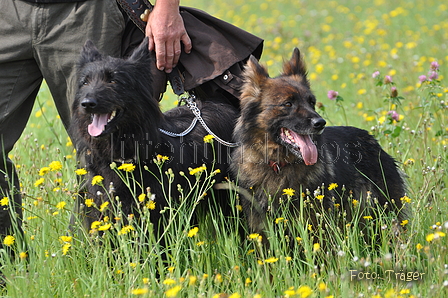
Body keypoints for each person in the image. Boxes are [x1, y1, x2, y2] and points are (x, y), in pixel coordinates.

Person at [0, 0, 190, 242]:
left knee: (105, 153)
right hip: (7, 11)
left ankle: (95, 261)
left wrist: (167, 7)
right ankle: (6, 266)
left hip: (87, 12)